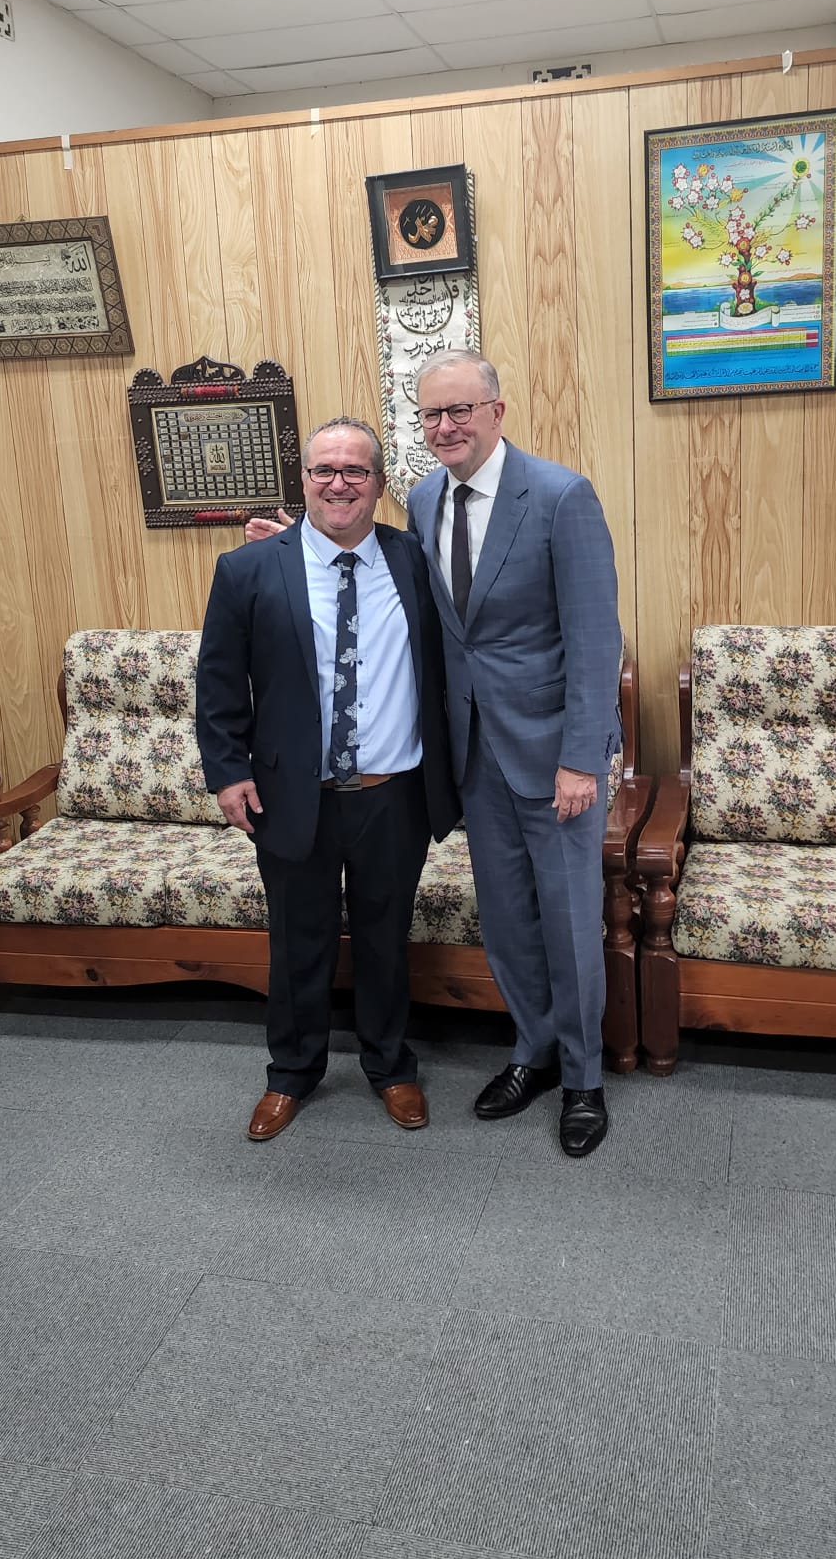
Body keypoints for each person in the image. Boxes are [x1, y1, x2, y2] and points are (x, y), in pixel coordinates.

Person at [250, 353, 623, 1157]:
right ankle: (534, 1052)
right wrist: (294, 548)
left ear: (497, 410)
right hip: (469, 758)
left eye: (461, 411)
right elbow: (371, 575)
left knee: (566, 920)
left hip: (555, 758)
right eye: (430, 416)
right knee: (508, 923)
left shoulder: (561, 496)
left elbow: (596, 640)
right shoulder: (421, 499)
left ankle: (585, 1076)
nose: (446, 427)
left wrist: (583, 759)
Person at [197, 416, 458, 1142]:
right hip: (291, 797)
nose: (338, 483)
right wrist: (226, 774)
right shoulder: (248, 569)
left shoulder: (417, 561)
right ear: (304, 479)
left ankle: (391, 1067)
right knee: (297, 941)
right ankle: (290, 1074)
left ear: (379, 484)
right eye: (324, 470)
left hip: (394, 794)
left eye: (355, 471)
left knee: (384, 938)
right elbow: (218, 685)